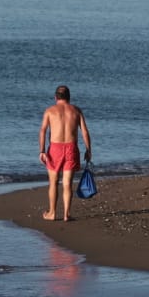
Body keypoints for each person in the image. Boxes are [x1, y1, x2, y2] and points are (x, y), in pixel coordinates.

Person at [37, 85, 91, 223]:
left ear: (56, 97)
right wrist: (88, 149)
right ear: (69, 97)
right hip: (71, 148)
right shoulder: (76, 111)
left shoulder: (50, 111)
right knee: (67, 183)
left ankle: (52, 213)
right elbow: (84, 131)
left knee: (53, 182)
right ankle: (67, 214)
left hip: (55, 149)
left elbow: (43, 130)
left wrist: (42, 150)